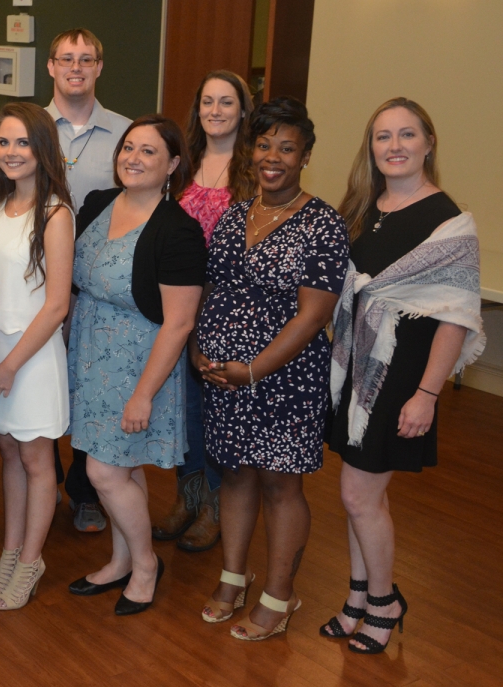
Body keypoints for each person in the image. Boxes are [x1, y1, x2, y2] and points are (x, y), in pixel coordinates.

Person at [323, 98, 484, 653]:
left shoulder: (450, 222)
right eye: (382, 136)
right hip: (356, 367)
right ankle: (358, 596)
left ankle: (385, 602)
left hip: (401, 376)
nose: (394, 146)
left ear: (428, 142)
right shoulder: (366, 209)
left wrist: (427, 395)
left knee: (358, 495)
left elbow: (456, 319)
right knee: (358, 497)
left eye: (406, 134)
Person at [192, 97, 349, 640]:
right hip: (224, 374)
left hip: (284, 380)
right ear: (250, 151)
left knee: (281, 485)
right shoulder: (236, 214)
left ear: (306, 155)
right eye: (264, 145)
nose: (273, 156)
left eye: (287, 147)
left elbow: (313, 317)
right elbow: (212, 289)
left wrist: (252, 370)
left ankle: (280, 596)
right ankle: (234, 579)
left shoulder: (322, 224)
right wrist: (198, 347)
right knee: (235, 474)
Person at [66, 115, 206, 616]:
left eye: (149, 152)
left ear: (172, 165)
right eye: (128, 147)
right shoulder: (99, 203)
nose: (133, 158)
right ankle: (121, 559)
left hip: (139, 364)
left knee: (105, 471)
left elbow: (179, 323)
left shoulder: (179, 231)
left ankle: (145, 565)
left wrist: (144, 394)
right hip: (89, 355)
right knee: (121, 469)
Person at [152, 70, 257, 553]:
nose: (215, 111)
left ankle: (216, 505)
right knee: (182, 407)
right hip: (179, 299)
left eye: (226, 102)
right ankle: (187, 497)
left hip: (227, 307)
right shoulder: (184, 163)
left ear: (243, 110)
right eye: (207, 101)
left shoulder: (255, 167)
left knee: (217, 410)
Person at [0, 103, 73, 610]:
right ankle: (11, 551)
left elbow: (57, 304)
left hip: (30, 358)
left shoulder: (55, 214)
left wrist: (12, 364)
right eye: (4, 142)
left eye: (22, 143)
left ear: (42, 149)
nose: (12, 152)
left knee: (35, 457)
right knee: (7, 452)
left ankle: (32, 560)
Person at [45, 27, 133, 534]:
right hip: (37, 285)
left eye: (86, 59)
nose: (76, 67)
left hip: (101, 290)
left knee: (92, 388)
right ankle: (45, 476)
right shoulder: (30, 129)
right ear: (51, 68)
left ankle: (85, 490)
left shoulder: (126, 134)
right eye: (66, 59)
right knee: (43, 383)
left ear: (100, 67)